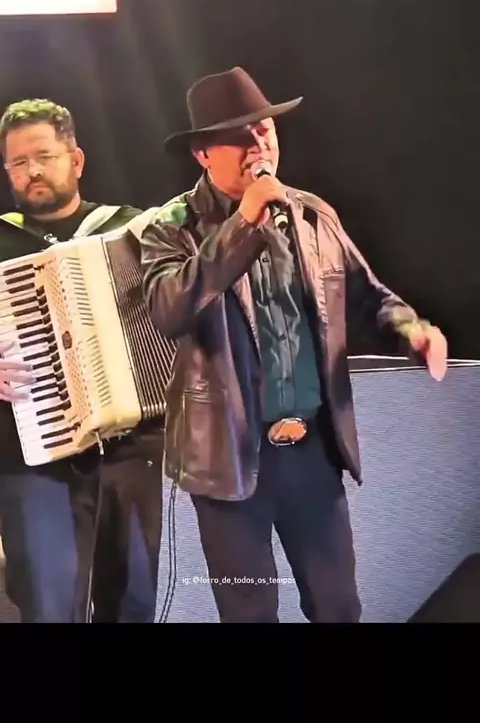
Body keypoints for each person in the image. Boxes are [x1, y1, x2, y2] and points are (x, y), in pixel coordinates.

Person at [139, 66, 448, 624]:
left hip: (311, 452)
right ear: (202, 154)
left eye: (265, 129)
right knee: (251, 612)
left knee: (338, 606)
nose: (258, 144)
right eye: (239, 136)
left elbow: (370, 298)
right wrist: (243, 222)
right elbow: (169, 308)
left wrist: (412, 331)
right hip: (228, 462)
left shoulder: (311, 215)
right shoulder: (172, 226)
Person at [0, 99, 164, 623]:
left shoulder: (133, 230)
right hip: (34, 459)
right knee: (48, 608)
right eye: (18, 163)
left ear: (76, 160)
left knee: (136, 604)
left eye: (43, 157)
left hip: (135, 450)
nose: (32, 171)